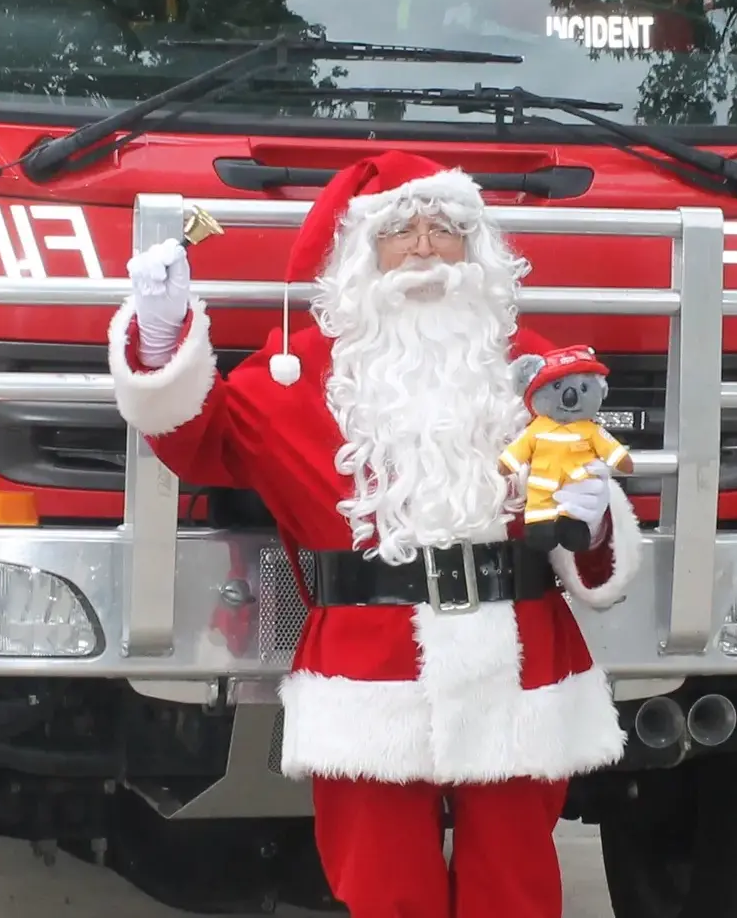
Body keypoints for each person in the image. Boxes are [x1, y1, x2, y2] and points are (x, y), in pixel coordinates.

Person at [110, 151, 642, 918]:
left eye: (444, 228)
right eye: (400, 230)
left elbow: (582, 525)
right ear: (360, 252)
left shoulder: (530, 368)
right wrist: (160, 341)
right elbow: (198, 441)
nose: (424, 246)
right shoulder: (297, 375)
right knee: (383, 888)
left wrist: (594, 524)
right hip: (366, 667)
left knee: (518, 888)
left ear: (476, 247)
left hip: (520, 659)